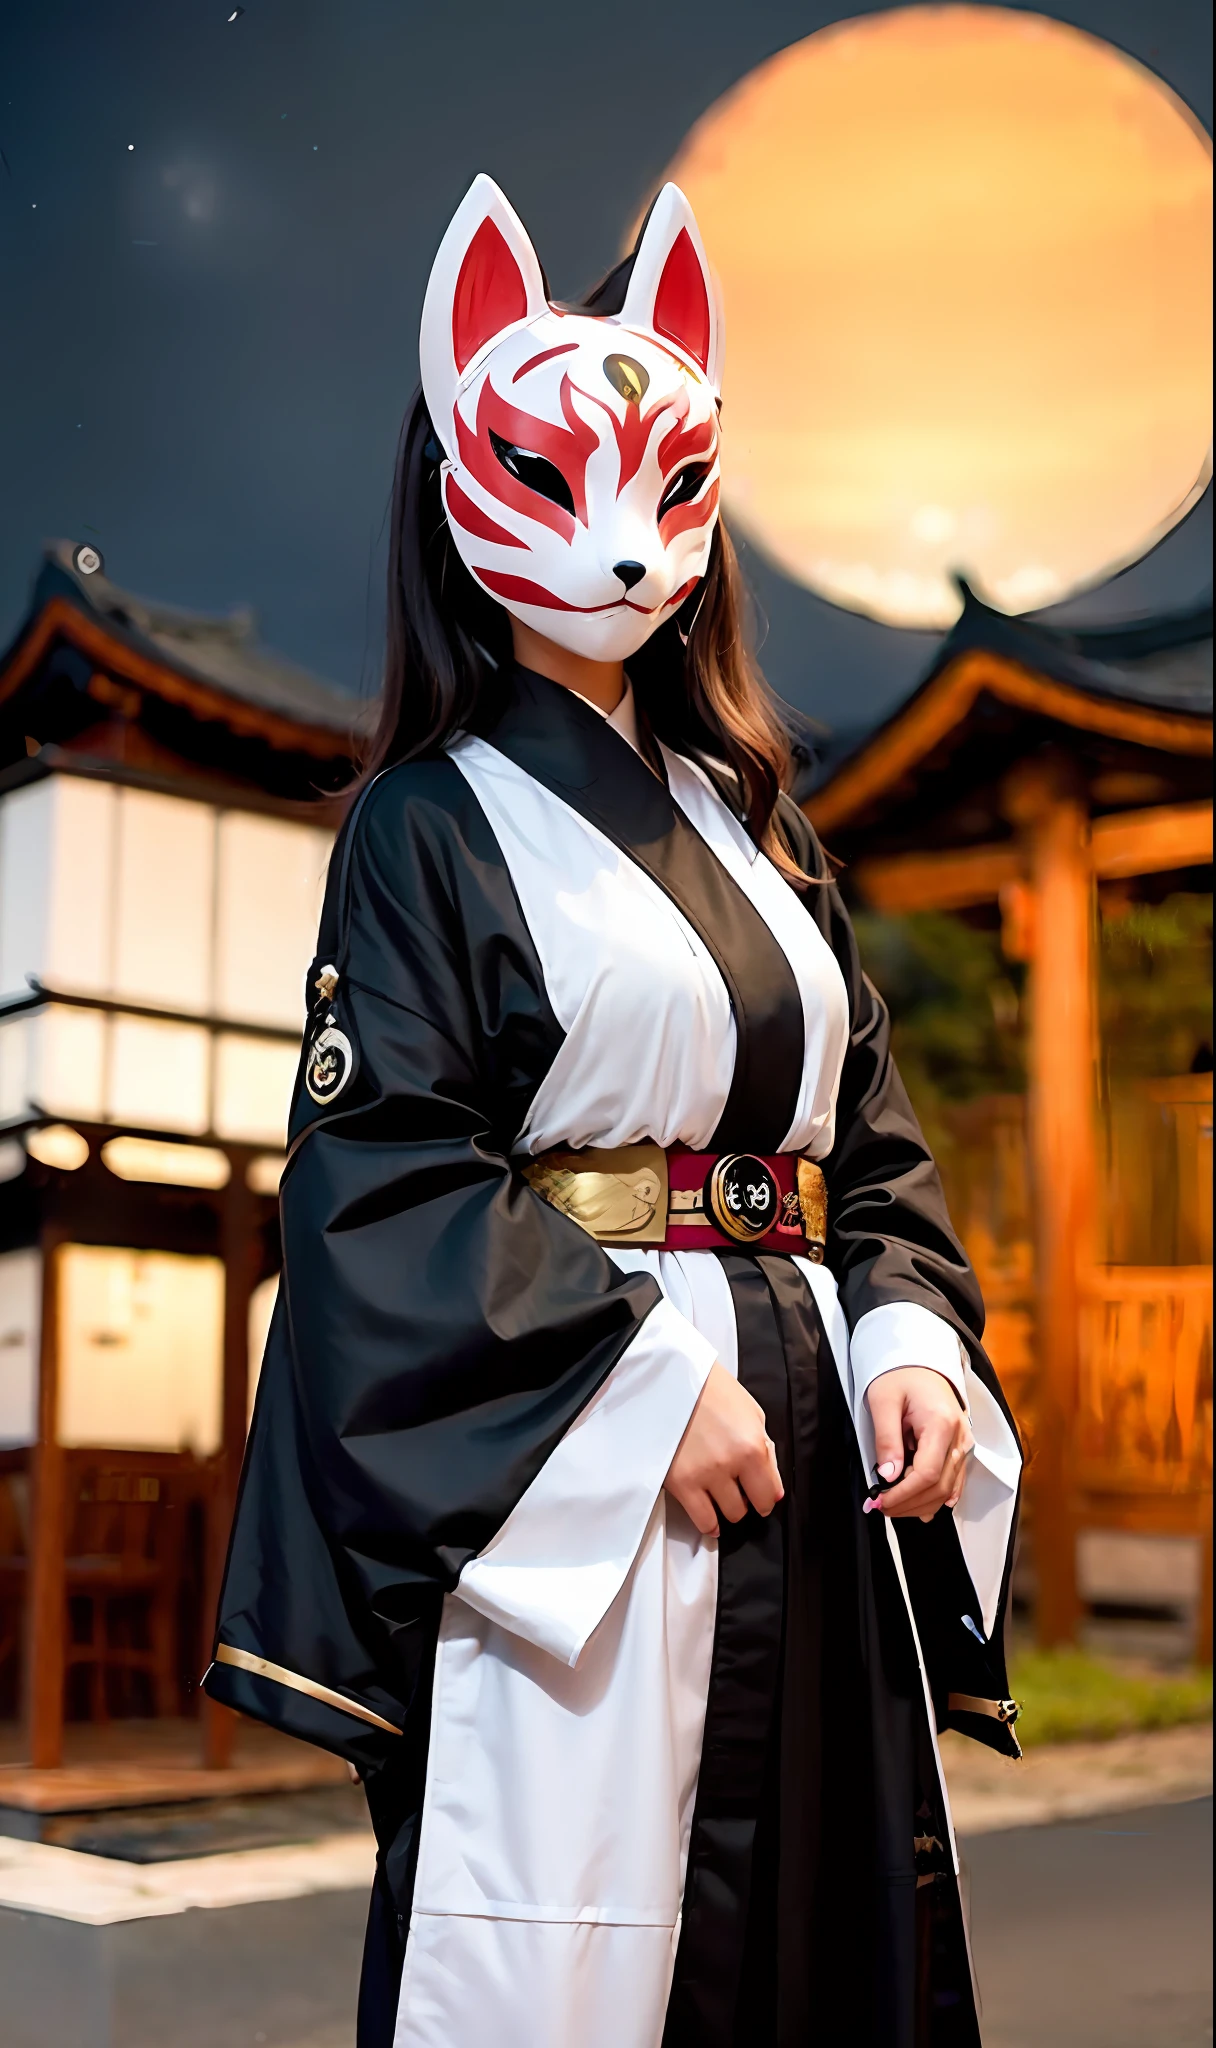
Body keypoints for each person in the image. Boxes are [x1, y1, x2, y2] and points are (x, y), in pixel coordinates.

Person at [205, 175, 1023, 2048]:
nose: (622, 546)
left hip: (816, 1445)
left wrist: (910, 1337)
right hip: (609, 1490)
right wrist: (635, 1390)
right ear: (462, 490)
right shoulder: (428, 825)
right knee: (590, 1926)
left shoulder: (766, 828)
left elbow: (872, 1149)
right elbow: (381, 1181)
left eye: (664, 489)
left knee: (837, 1912)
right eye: (560, 483)